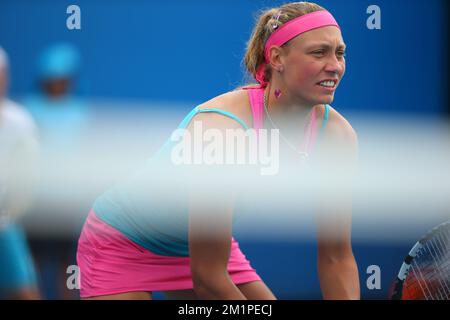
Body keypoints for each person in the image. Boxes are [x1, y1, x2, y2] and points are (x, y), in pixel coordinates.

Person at [77, 1, 360, 300]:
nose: (335, 65)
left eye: (340, 53)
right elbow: (208, 278)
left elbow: (336, 258)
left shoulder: (337, 137)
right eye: (319, 52)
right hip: (122, 243)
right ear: (277, 58)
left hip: (204, 246)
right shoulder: (221, 130)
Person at [0, 46, 41, 300]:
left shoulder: (20, 121)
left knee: (26, 293)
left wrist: (11, 212)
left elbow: (29, 177)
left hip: (5, 223)